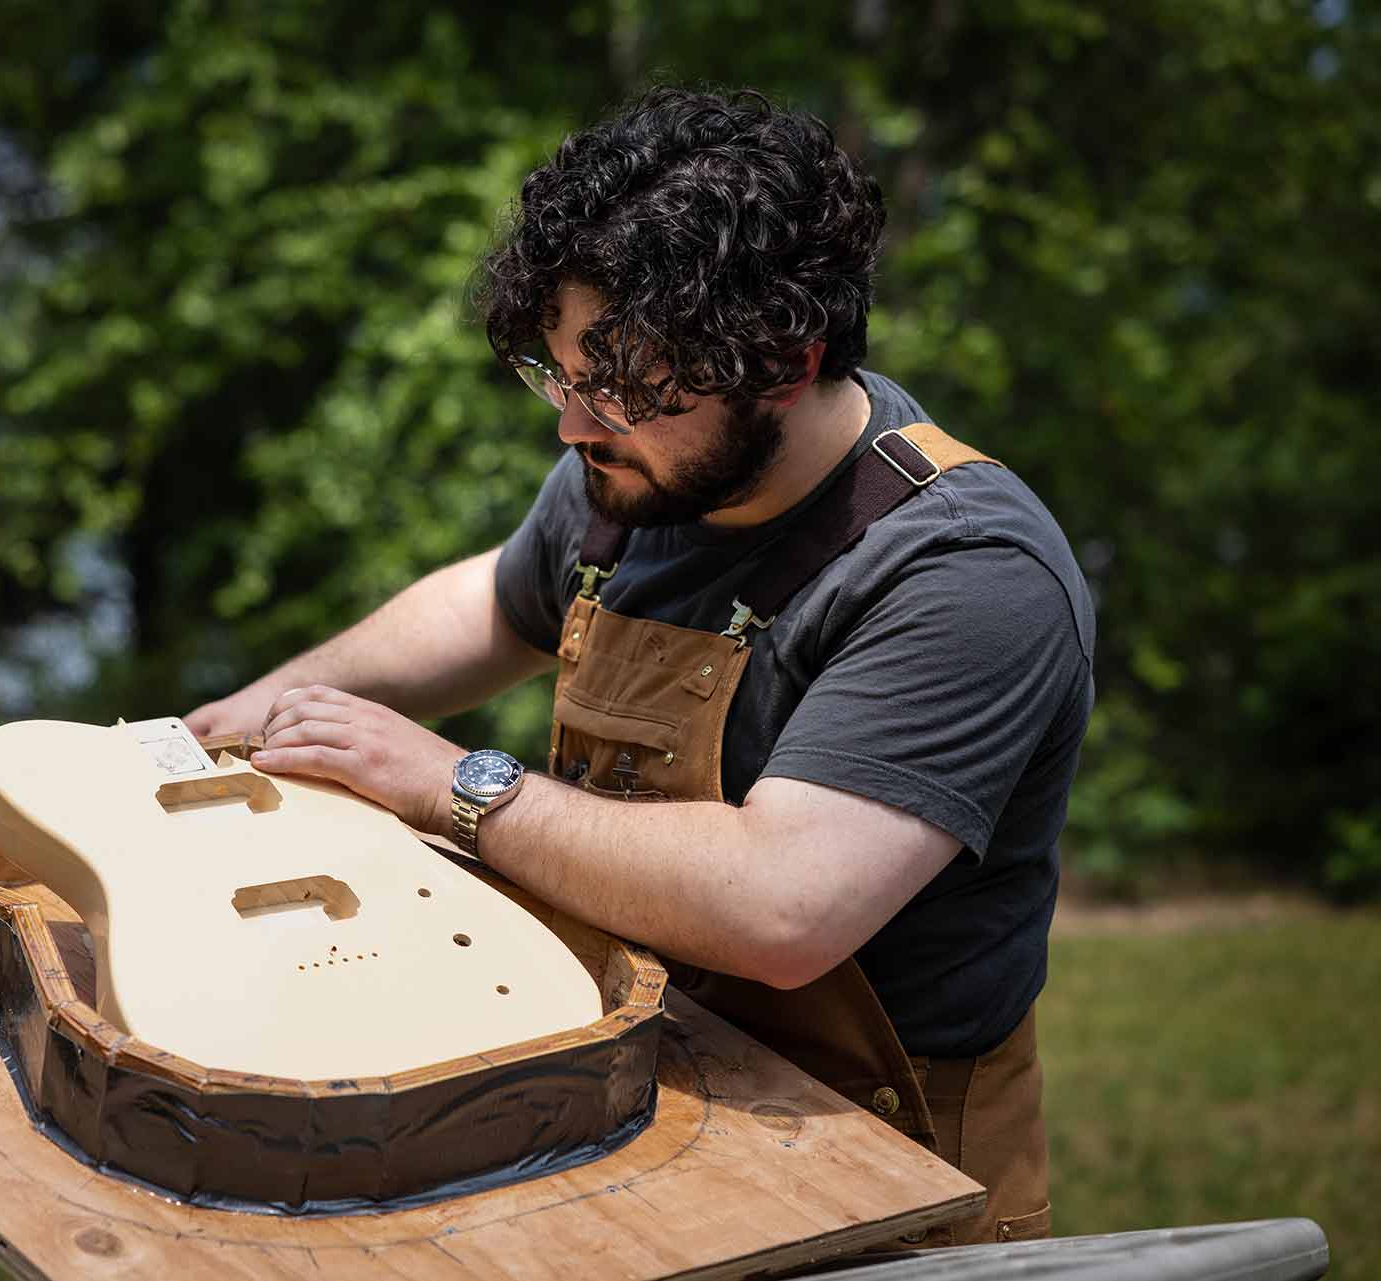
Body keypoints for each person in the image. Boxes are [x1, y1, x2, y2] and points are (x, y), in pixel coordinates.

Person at [184, 85, 1092, 1247]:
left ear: (786, 359)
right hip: (632, 1073)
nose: (573, 426)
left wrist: (454, 785)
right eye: (561, 375)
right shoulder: (641, 467)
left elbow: (784, 907)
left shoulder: (962, 571)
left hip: (879, 1166)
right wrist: (274, 704)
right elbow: (498, 599)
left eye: (618, 387)